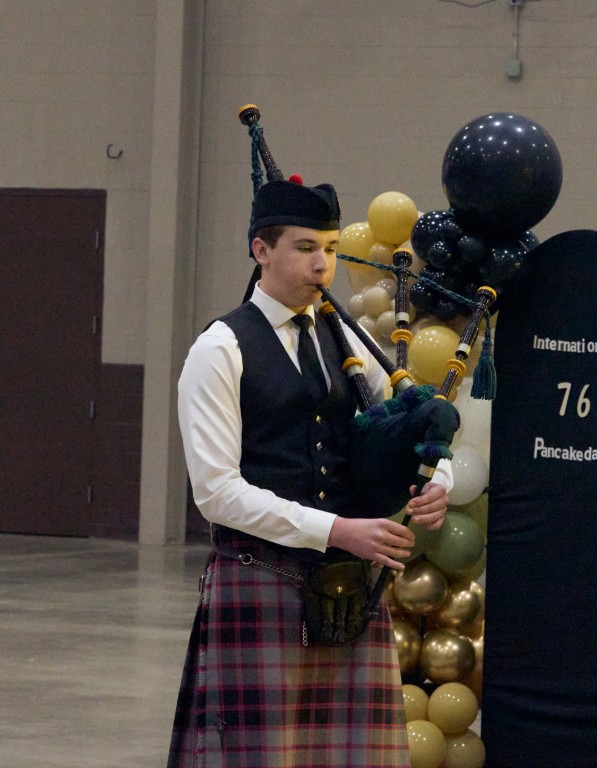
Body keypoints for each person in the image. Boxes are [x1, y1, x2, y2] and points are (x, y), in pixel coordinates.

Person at [168, 178, 451, 768]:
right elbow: (216, 493)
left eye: (330, 248)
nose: (322, 264)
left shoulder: (345, 339)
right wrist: (338, 529)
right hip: (260, 576)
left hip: (345, 584)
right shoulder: (220, 348)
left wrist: (437, 477)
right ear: (261, 250)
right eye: (304, 248)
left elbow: (407, 419)